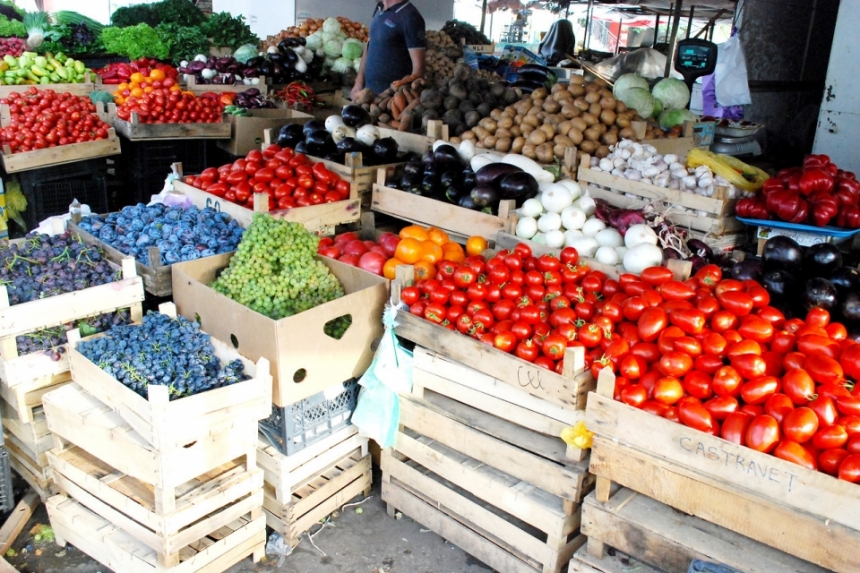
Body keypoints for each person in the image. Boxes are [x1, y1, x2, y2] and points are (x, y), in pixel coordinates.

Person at [351, 1, 426, 100]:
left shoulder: (411, 17)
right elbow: (369, 45)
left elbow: (419, 71)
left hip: (389, 102)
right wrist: (359, 81)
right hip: (367, 95)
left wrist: (394, 97)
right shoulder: (379, 8)